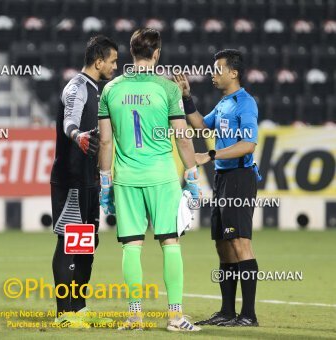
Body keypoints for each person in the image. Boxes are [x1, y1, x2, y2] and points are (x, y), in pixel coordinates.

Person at [98, 28, 201, 332]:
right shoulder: (167, 89)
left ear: (131, 53)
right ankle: (175, 317)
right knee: (170, 242)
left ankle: (134, 317)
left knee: (131, 246)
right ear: (157, 53)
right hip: (162, 178)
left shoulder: (111, 89)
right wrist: (192, 174)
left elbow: (105, 143)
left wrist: (105, 182)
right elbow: (183, 137)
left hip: (127, 178)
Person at [174, 49, 260, 327]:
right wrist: (186, 97)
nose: (213, 73)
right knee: (223, 246)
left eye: (218, 68)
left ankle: (248, 315)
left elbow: (248, 145)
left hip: (240, 177)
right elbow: (200, 125)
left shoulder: (244, 103)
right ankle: (226, 311)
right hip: (223, 179)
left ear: (233, 73)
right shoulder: (224, 104)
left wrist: (209, 156)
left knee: (240, 243)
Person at [50, 35, 118, 327]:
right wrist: (77, 135)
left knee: (88, 243)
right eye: (113, 61)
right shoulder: (77, 87)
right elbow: (69, 122)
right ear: (98, 61)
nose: (115, 66)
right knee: (69, 243)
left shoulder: (95, 89)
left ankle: (78, 307)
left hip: (88, 179)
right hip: (71, 179)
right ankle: (64, 313)